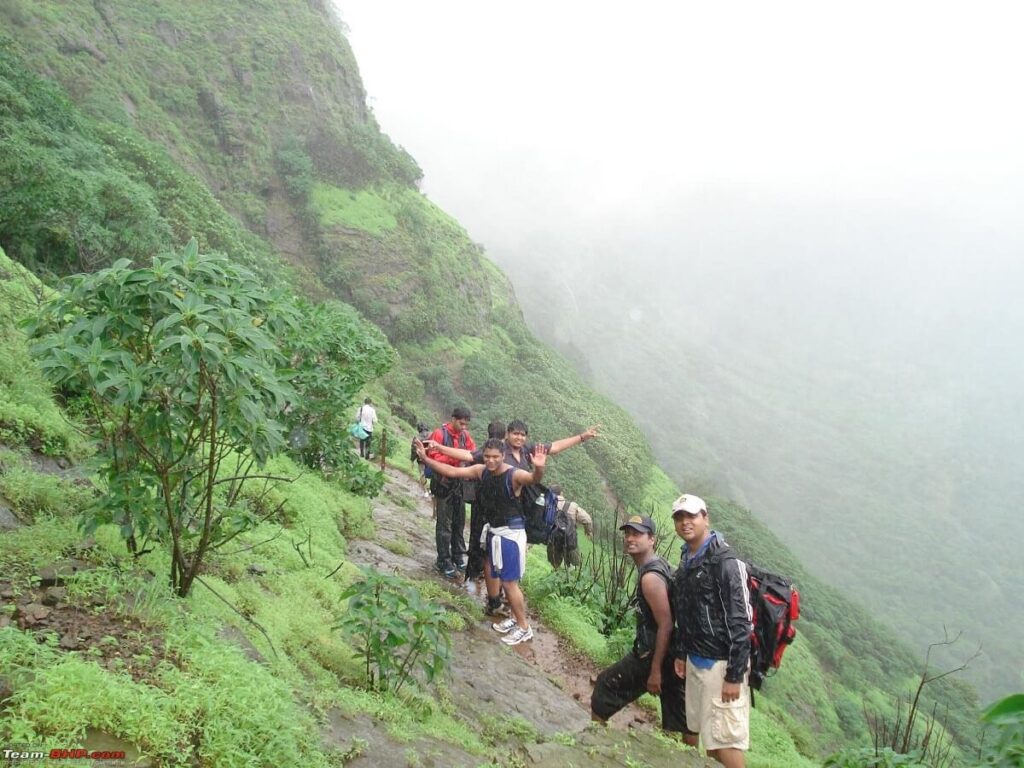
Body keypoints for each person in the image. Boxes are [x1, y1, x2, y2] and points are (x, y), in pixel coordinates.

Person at [416, 438, 546, 645]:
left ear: (503, 456)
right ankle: (514, 620)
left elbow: (532, 478)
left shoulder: (514, 475)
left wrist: (539, 469)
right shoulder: (481, 471)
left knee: (510, 583)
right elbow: (452, 472)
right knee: (501, 577)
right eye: (487, 456)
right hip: (495, 531)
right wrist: (425, 459)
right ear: (482, 455)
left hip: (510, 535)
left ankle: (524, 627)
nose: (491, 460)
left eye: (495, 457)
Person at [671, 494, 752, 767]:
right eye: (679, 517)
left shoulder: (725, 562)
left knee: (725, 741)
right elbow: (686, 611)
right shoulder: (689, 558)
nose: (685, 522)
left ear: (706, 518)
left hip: (721, 665)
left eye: (691, 516)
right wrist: (682, 653)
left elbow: (742, 623)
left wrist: (734, 674)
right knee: (709, 737)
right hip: (697, 660)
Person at [592, 515, 685, 734]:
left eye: (637, 534)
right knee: (679, 720)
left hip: (653, 655)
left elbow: (666, 625)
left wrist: (654, 671)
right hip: (672, 654)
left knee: (605, 688)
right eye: (627, 534)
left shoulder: (650, 578)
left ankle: (595, 743)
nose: (630, 539)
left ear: (651, 539)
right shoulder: (659, 564)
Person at [425, 407, 476, 579]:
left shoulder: (465, 436)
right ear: (453, 419)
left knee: (459, 523)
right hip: (443, 484)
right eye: (461, 423)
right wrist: (456, 459)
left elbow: (472, 453)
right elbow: (432, 457)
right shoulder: (439, 435)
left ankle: (457, 556)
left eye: (466, 425)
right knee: (444, 524)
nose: (463, 427)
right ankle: (443, 560)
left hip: (459, 485)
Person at [545, 485, 593, 569]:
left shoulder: (547, 505)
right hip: (570, 540)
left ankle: (556, 578)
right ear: (561, 493)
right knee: (574, 567)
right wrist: (588, 531)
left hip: (553, 540)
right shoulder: (572, 506)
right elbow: (587, 519)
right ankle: (570, 579)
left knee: (555, 566)